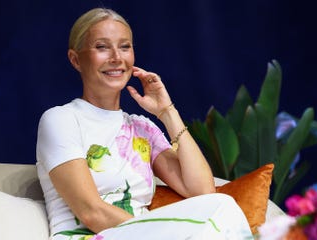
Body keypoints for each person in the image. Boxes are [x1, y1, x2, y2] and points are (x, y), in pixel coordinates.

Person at [36, 7, 253, 240]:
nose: (116, 58)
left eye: (124, 46)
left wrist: (167, 112)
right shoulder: (61, 120)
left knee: (221, 204)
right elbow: (91, 212)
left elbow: (202, 191)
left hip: (141, 234)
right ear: (76, 59)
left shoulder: (142, 128)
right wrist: (159, 232)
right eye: (102, 47)